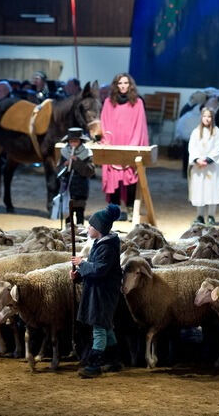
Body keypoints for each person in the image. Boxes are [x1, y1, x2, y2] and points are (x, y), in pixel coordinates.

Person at [71, 203, 123, 378]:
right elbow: (94, 269)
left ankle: (94, 365)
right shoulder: (100, 243)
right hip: (98, 290)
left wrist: (82, 264)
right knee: (105, 326)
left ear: (99, 229)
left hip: (103, 293)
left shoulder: (107, 247)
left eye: (91, 226)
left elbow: (100, 269)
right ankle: (114, 360)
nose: (88, 228)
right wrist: (78, 275)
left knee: (99, 327)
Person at [100, 73, 149, 221]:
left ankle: (129, 209)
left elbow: (139, 126)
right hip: (113, 146)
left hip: (130, 145)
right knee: (114, 178)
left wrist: (131, 148)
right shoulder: (109, 102)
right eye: (120, 83)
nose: (123, 86)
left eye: (126, 83)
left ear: (130, 85)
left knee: (130, 178)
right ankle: (115, 210)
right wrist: (107, 143)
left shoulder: (138, 102)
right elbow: (104, 122)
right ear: (116, 85)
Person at [186, 107, 219, 225]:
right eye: (205, 116)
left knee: (211, 190)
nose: (207, 119)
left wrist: (207, 160)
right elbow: (192, 148)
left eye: (209, 116)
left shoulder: (217, 132)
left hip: (211, 167)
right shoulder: (196, 132)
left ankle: (211, 216)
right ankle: (200, 215)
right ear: (201, 117)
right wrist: (197, 160)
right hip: (198, 167)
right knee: (199, 190)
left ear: (213, 118)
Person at [56, 127, 94, 226]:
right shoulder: (64, 152)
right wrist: (64, 165)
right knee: (68, 214)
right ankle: (68, 234)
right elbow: (58, 170)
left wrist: (77, 162)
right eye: (71, 141)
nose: (73, 144)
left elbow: (90, 171)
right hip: (67, 189)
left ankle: (80, 234)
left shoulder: (87, 153)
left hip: (80, 188)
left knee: (79, 213)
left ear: (81, 141)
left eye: (76, 141)